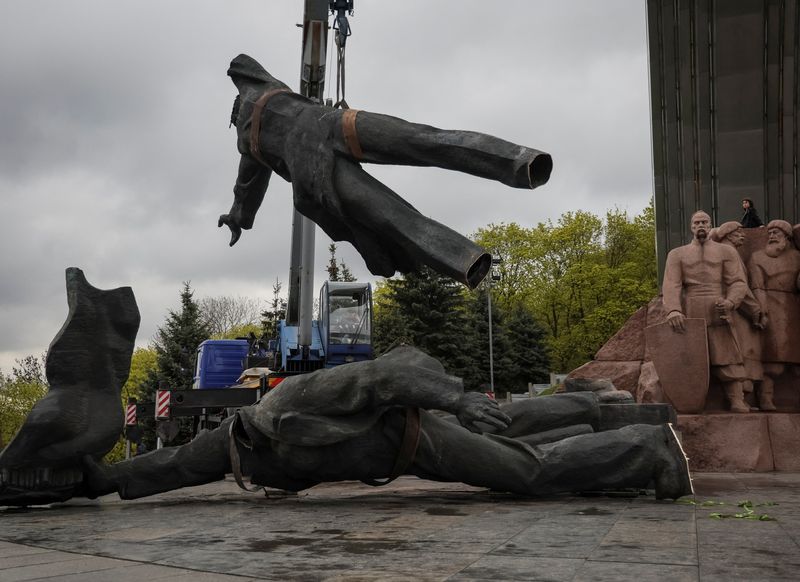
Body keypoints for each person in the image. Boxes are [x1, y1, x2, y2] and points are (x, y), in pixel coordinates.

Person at [1, 347, 693, 506]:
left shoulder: (293, 398)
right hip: (411, 449)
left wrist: (454, 399)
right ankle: (614, 422)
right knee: (511, 435)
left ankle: (648, 450)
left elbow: (399, 367)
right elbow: (172, 465)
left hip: (421, 436)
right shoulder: (239, 449)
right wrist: (100, 480)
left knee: (525, 469)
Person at [218, 54, 553, 289]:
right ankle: (523, 162)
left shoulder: (248, 140)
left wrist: (237, 217)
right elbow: (247, 184)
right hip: (332, 124)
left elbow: (247, 185)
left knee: (393, 216)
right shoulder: (265, 85)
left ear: (234, 117)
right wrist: (238, 214)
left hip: (314, 165)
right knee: (425, 140)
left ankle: (466, 260)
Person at [662, 211, 751, 412]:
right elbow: (671, 285)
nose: (700, 225)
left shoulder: (726, 252)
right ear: (691, 227)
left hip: (718, 308)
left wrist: (731, 302)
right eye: (696, 222)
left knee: (727, 355)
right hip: (691, 310)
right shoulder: (677, 254)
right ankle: (689, 401)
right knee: (691, 359)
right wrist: (673, 310)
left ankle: (736, 398)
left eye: (704, 222)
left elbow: (738, 282)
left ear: (710, 225)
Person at [746, 220, 800, 410]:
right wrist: (761, 310)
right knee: (772, 359)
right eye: (770, 232)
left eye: (777, 232)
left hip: (792, 309)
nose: (772, 236)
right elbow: (757, 286)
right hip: (770, 306)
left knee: (796, 360)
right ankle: (765, 397)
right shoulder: (757, 257)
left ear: (786, 237)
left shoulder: (796, 257)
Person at [709, 222, 765, 397]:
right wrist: (755, 309)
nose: (743, 235)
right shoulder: (729, 252)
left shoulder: (724, 251)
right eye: (738, 232)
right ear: (728, 235)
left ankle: (740, 398)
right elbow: (740, 286)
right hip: (735, 310)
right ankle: (739, 397)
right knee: (741, 354)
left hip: (729, 308)